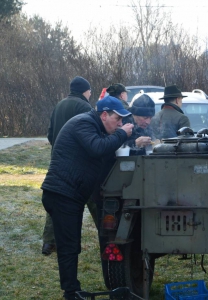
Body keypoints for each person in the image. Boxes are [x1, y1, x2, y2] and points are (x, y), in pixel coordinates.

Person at [41, 96, 134, 299]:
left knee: (71, 244)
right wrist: (121, 134)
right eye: (117, 119)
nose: (120, 123)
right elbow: (97, 148)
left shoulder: (95, 127)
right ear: (103, 115)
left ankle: (73, 288)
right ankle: (71, 292)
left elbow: (106, 150)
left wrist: (131, 140)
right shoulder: (83, 123)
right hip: (61, 194)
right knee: (68, 246)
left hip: (70, 195)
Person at [42, 76, 98, 256]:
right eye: (90, 91)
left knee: (57, 201)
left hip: (58, 162)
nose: (90, 94)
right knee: (93, 199)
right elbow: (91, 137)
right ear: (85, 90)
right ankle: (108, 236)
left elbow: (50, 134)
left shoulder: (59, 105)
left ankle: (49, 243)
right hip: (78, 164)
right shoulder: (85, 107)